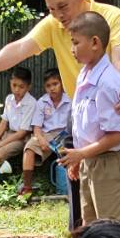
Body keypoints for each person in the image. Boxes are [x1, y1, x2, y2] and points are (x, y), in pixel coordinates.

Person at [59, 13, 120, 226]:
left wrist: (81, 154)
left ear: (94, 43)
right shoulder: (85, 74)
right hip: (90, 159)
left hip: (111, 163)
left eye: (76, 43)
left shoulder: (109, 82)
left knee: (112, 227)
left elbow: (119, 134)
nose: (72, 49)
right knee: (90, 223)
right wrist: (80, 158)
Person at [18, 69, 70, 199]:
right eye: (48, 86)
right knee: (29, 147)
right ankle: (27, 187)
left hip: (65, 134)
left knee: (70, 149)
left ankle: (70, 187)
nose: (52, 88)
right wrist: (40, 139)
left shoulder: (70, 100)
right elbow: (37, 127)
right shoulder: (42, 102)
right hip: (46, 134)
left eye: (55, 84)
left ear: (62, 83)